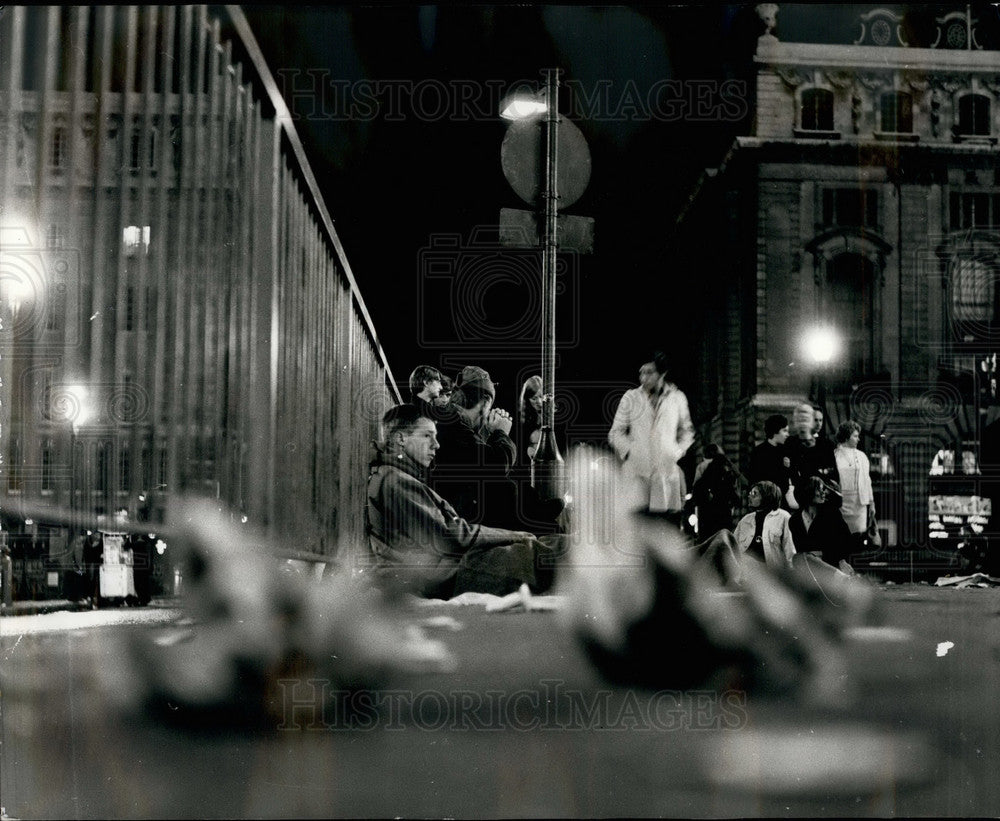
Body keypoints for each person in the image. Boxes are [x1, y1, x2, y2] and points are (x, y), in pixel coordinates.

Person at [365, 404, 555, 598]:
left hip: (450, 567)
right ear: (401, 439)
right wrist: (514, 536)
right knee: (540, 557)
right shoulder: (394, 480)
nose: (436, 445)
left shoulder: (398, 476)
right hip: (445, 576)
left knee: (548, 546)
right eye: (427, 435)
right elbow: (450, 536)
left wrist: (513, 536)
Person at [608, 352, 695, 523]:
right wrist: (631, 451)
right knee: (638, 528)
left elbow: (687, 431)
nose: (643, 378)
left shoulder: (677, 398)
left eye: (649, 372)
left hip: (665, 473)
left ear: (662, 374)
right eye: (641, 372)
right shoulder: (631, 397)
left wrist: (675, 451)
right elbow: (615, 432)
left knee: (666, 528)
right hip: (636, 473)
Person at [429, 365, 518, 527]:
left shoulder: (450, 421)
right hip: (451, 520)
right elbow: (496, 465)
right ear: (485, 402)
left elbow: (480, 464)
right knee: (505, 488)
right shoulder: (453, 424)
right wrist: (501, 433)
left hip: (448, 512)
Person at [788, 475, 853, 568]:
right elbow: (799, 550)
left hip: (830, 568)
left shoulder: (832, 514)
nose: (823, 493)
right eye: (819, 489)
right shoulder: (794, 520)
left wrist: (841, 561)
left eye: (823, 489)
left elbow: (846, 541)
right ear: (808, 491)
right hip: (806, 571)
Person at [733, 480, 796, 569]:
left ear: (767, 496)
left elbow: (790, 550)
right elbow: (733, 548)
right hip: (745, 572)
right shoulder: (745, 520)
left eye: (754, 494)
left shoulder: (783, 517)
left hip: (770, 575)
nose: (749, 496)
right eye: (750, 493)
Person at [834, 420, 878, 546]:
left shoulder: (862, 456)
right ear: (847, 436)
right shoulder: (835, 455)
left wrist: (872, 503)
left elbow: (867, 481)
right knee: (841, 536)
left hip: (859, 504)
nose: (858, 439)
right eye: (855, 436)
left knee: (858, 537)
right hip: (841, 503)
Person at [691, 443, 740, 538]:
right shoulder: (726, 466)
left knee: (707, 534)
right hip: (724, 506)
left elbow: (696, 485)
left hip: (706, 506)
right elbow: (734, 483)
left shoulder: (702, 466)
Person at [785, 401, 837, 487]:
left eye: (806, 419)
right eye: (800, 419)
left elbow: (833, 475)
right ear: (795, 421)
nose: (803, 423)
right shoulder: (789, 444)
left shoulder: (826, 445)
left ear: (811, 421)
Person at [747, 414, 793, 507]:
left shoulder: (786, 452)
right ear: (775, 431)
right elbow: (753, 479)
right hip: (764, 503)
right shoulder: (758, 452)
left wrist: (787, 468)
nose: (787, 434)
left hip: (782, 504)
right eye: (784, 431)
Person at [518, 374, 543, 461]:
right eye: (534, 398)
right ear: (527, 399)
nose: (539, 402)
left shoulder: (555, 416)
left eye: (541, 396)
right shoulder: (522, 420)